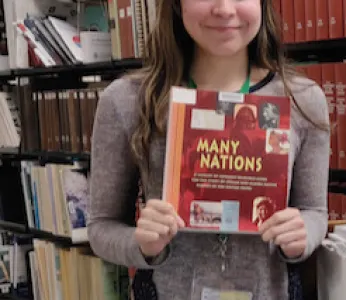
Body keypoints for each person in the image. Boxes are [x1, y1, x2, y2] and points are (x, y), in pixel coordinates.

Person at [87, 0, 330, 299]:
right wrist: (141, 245)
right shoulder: (126, 101)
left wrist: (302, 234)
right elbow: (101, 228)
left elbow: (316, 213)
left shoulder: (303, 99)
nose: (225, 9)